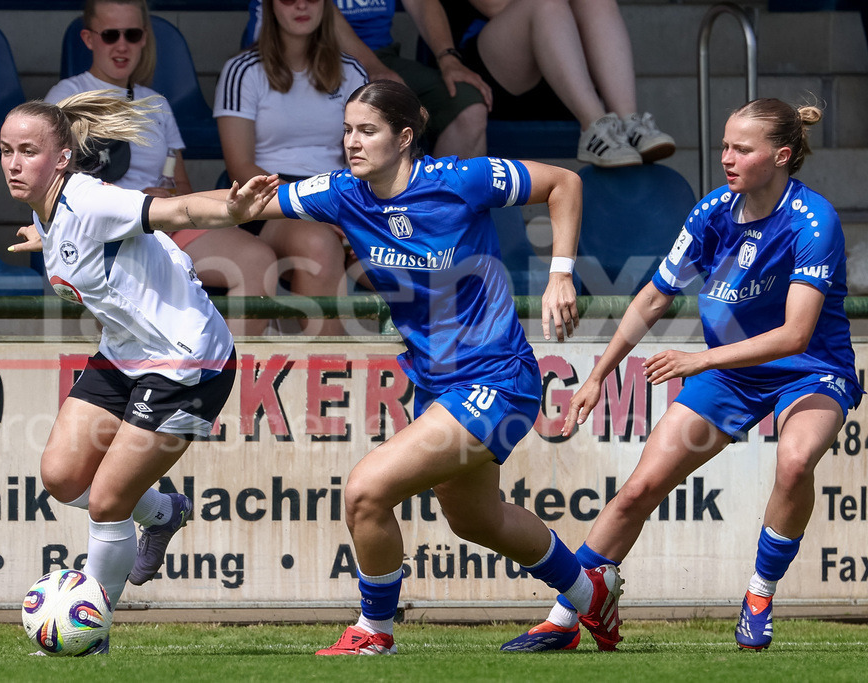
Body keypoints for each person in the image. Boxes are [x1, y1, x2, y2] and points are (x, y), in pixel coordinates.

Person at [250, 79, 623, 655]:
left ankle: (374, 631)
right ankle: (587, 590)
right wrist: (142, 214)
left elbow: (564, 182)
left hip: (498, 379)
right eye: (346, 130)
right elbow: (234, 205)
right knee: (476, 518)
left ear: (404, 138)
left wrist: (560, 272)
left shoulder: (459, 180)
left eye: (366, 130)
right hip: (439, 383)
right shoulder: (343, 193)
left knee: (367, 490)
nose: (351, 141)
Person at [503, 98, 863, 653]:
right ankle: (565, 616)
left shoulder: (813, 220)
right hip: (733, 376)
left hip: (807, 370)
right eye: (724, 145)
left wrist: (698, 359)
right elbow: (653, 297)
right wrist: (600, 372)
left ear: (782, 155)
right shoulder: (713, 210)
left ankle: (760, 594)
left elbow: (794, 336)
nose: (727, 157)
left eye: (743, 148)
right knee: (639, 489)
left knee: (794, 463)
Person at [3, 91, 277, 653]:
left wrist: (234, 209)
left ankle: (91, 634)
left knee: (106, 502)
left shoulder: (90, 200)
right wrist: (45, 237)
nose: (12, 163)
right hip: (126, 353)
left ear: (60, 159)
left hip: (195, 365)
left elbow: (174, 211)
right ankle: (165, 511)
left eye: (28, 151)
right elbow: (82, 245)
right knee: (60, 477)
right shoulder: (48, 209)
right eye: (5, 150)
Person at [46, 0, 277, 337]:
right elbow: (52, 185)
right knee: (119, 286)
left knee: (259, 260)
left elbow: (180, 185)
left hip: (163, 223)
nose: (122, 45)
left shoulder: (157, 103)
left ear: (144, 39)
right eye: (111, 35)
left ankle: (218, 372)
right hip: (101, 232)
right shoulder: (67, 97)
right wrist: (131, 200)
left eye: (133, 34)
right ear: (88, 38)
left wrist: (166, 197)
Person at [215, 0, 369, 336]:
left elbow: (365, 159)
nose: (301, 5)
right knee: (318, 242)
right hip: (267, 199)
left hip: (337, 197)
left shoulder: (353, 72)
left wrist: (350, 211)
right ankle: (333, 372)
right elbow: (239, 165)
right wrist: (315, 206)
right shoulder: (242, 70)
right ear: (269, 7)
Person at [243, 0, 492, 160]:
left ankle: (439, 216)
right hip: (309, 51)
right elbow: (319, 7)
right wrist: (372, 68)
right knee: (377, 112)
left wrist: (447, 57)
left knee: (467, 106)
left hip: (382, 53)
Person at [440, 0, 674, 168]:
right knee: (547, 4)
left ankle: (628, 123)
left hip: (565, 71)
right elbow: (495, 6)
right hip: (494, 73)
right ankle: (595, 128)